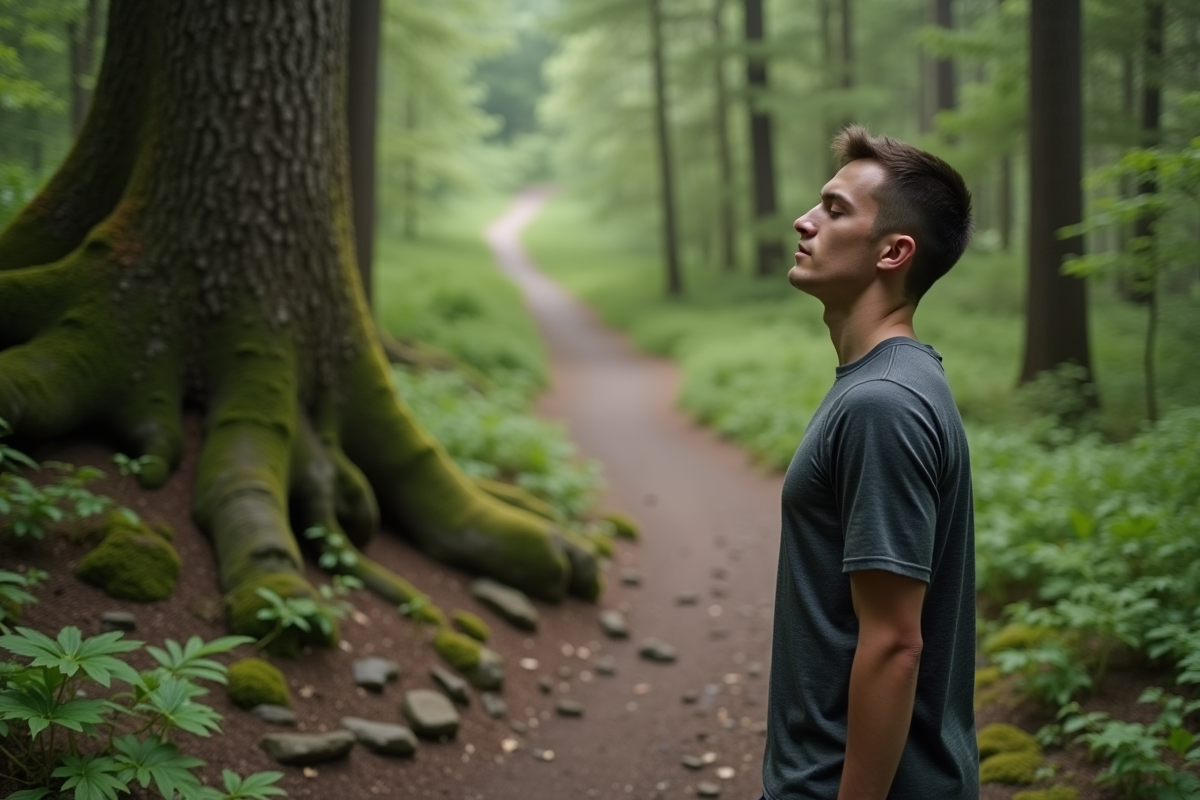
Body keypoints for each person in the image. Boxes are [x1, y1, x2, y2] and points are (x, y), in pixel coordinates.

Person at [760, 125, 978, 800]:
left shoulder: (882, 403)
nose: (804, 220)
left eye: (833, 209)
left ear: (894, 251)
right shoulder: (895, 381)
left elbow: (893, 645)